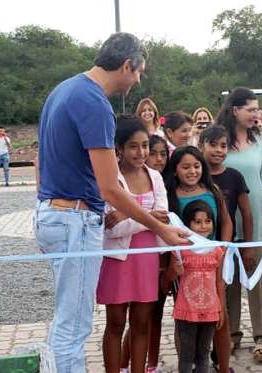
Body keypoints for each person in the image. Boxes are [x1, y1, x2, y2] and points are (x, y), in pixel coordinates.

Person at [35, 32, 187, 373]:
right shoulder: (95, 101)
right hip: (75, 218)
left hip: (54, 212)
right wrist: (159, 225)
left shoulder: (64, 89)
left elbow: (45, 164)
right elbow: (111, 189)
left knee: (67, 320)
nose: (137, 80)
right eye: (138, 72)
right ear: (127, 64)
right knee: (74, 327)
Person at [96, 115, 168, 373]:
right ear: (119, 149)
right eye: (133, 146)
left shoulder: (155, 177)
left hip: (147, 258)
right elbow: (112, 229)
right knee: (115, 323)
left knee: (141, 323)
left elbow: (165, 216)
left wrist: (128, 212)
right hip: (117, 258)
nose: (141, 152)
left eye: (145, 145)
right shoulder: (111, 179)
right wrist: (149, 217)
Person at [216, 87, 262, 363]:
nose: (256, 114)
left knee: (259, 279)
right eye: (250, 109)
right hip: (225, 218)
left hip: (258, 216)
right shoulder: (217, 140)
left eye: (257, 109)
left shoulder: (259, 138)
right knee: (228, 277)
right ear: (234, 111)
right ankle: (229, 334)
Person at [199, 125, 253, 372]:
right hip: (198, 251)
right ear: (202, 146)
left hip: (227, 249)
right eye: (213, 145)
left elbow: (246, 212)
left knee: (225, 300)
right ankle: (198, 352)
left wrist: (247, 246)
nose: (219, 150)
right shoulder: (195, 175)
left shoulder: (234, 176)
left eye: (223, 146)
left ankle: (224, 348)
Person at [170, 200, 226, 373]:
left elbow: (219, 281)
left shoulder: (217, 250)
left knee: (204, 353)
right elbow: (170, 277)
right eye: (197, 222)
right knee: (186, 354)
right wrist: (175, 269)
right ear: (187, 224)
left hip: (210, 310)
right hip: (186, 310)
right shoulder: (180, 249)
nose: (203, 226)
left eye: (208, 221)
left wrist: (221, 309)